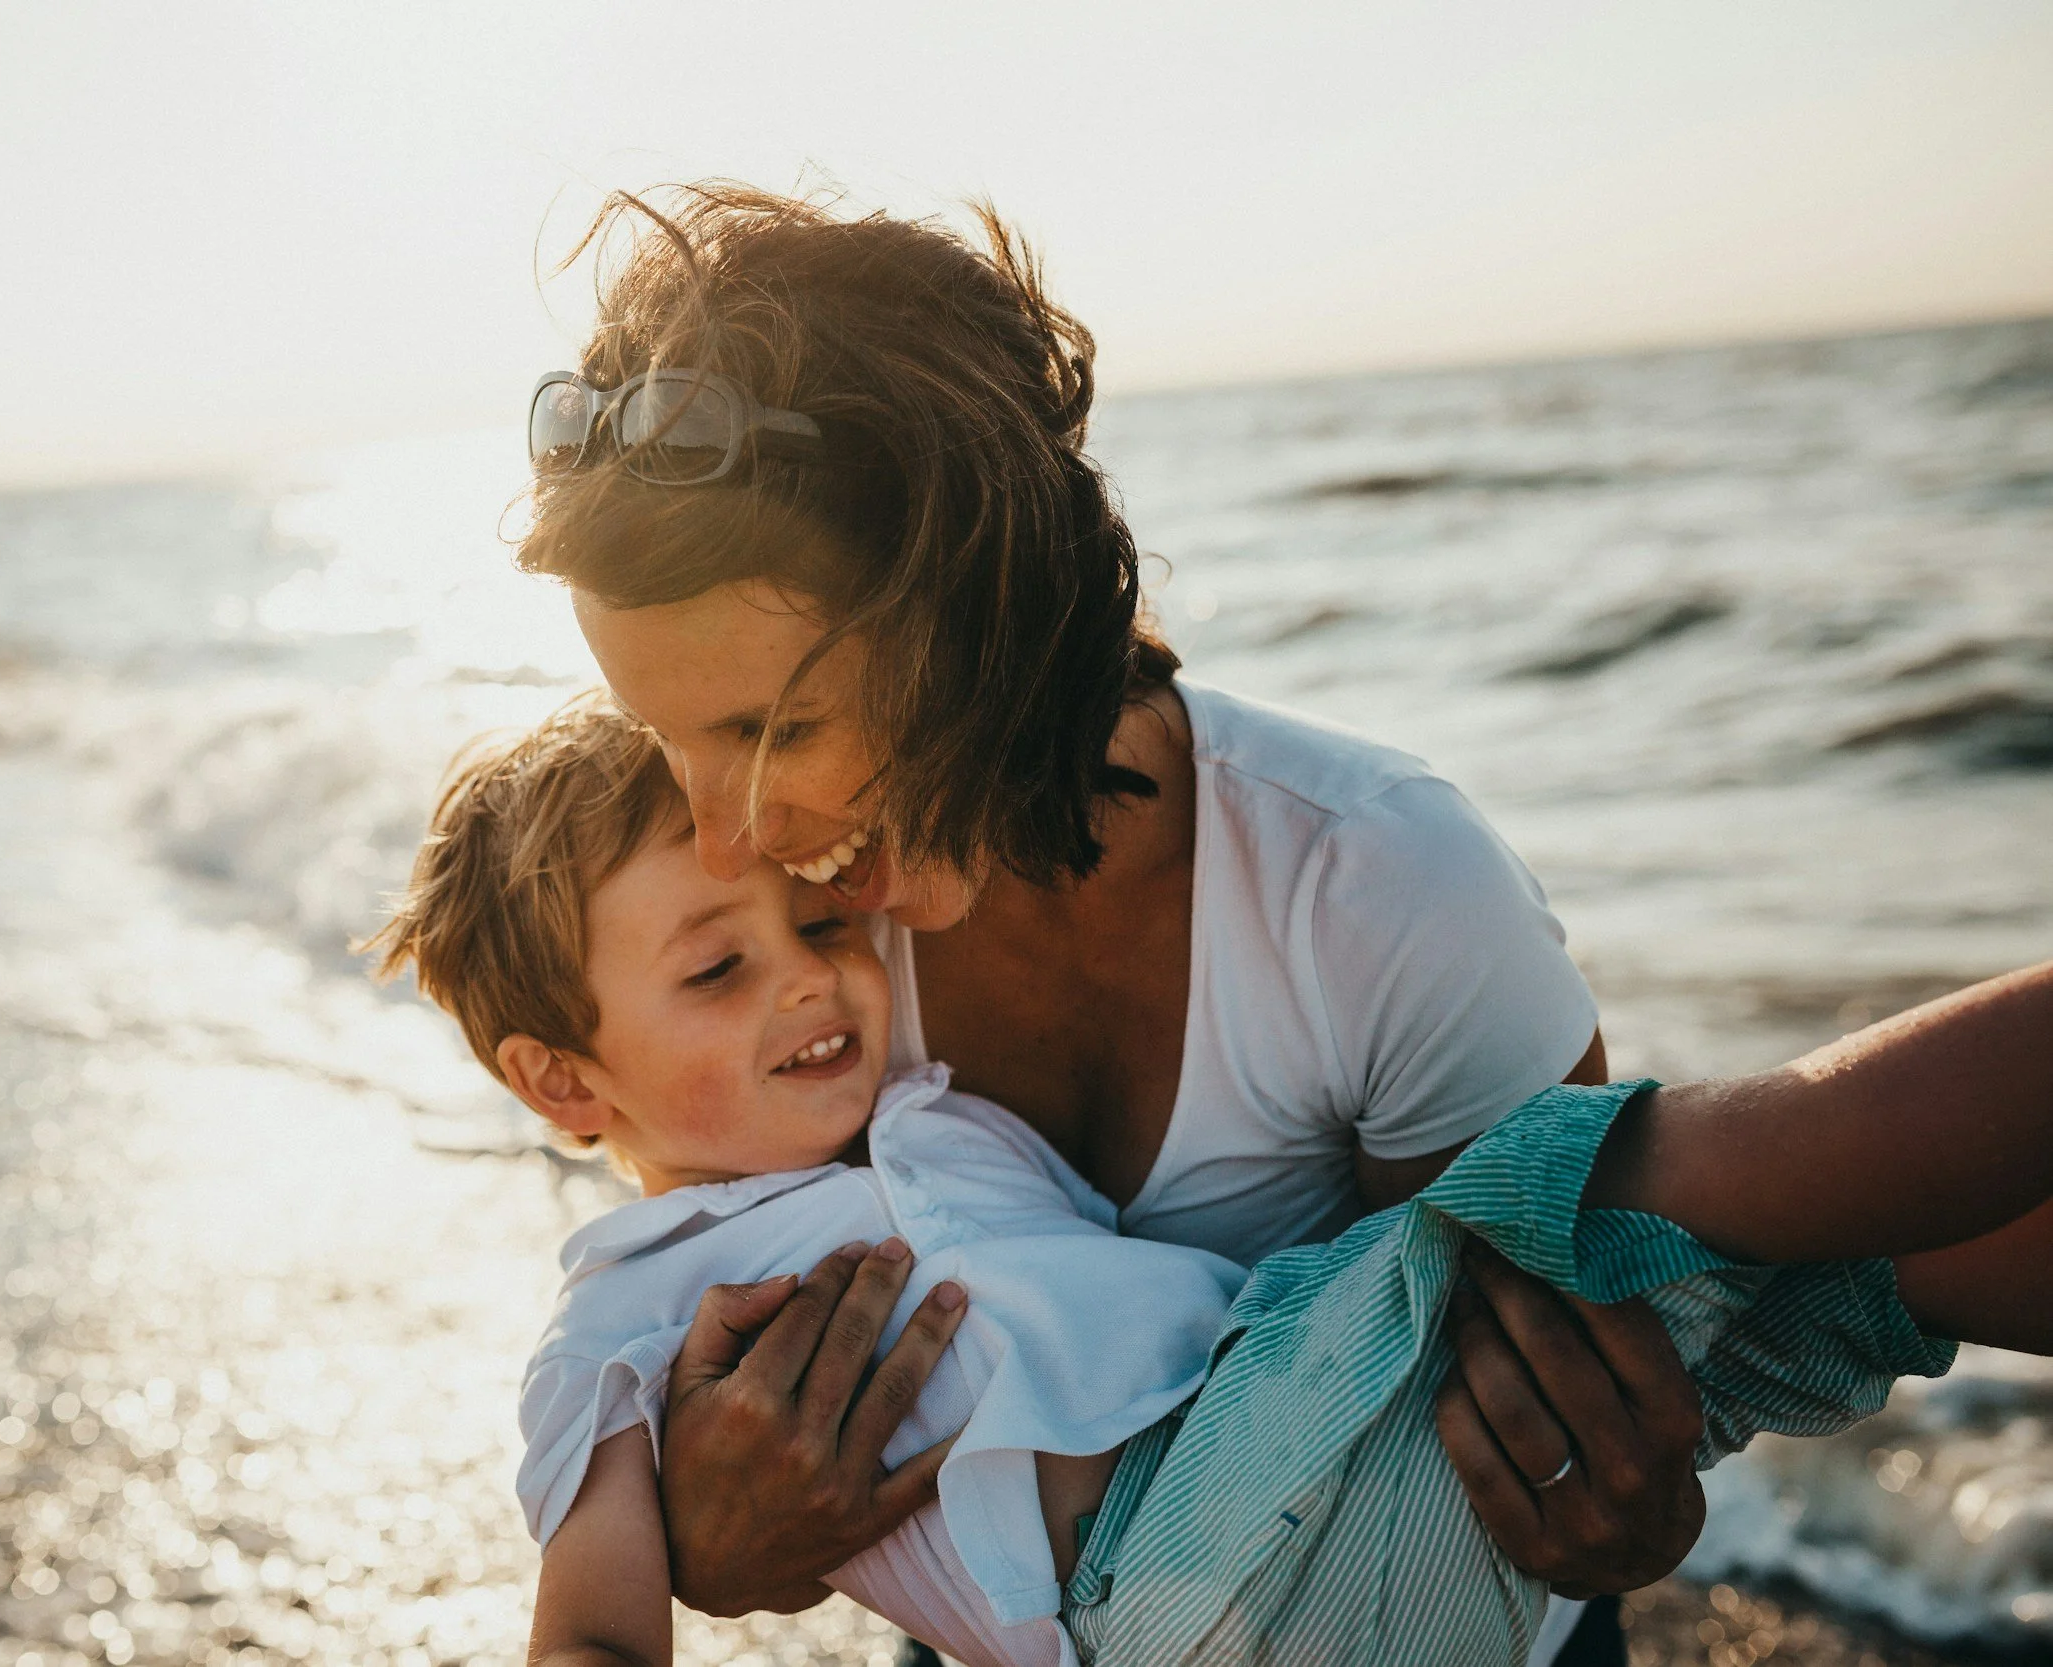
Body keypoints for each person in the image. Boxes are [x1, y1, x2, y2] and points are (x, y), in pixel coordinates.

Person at [514, 182, 1698, 1662]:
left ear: (980, 613)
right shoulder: (791, 946)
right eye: (664, 739)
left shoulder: (1378, 890)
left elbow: (1554, 1408)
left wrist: (1623, 1506)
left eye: (774, 726)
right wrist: (718, 1536)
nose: (726, 833)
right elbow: (714, 1278)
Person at [370, 699, 2053, 1667]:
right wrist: (702, 1544)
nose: (814, 979)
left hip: (1348, 1509)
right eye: (715, 972)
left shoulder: (934, 1116)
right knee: (1644, 1178)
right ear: (561, 1081)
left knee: (1872, 1272)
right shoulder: (630, 1303)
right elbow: (591, 1628)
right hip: (1175, 1575)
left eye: (815, 924)